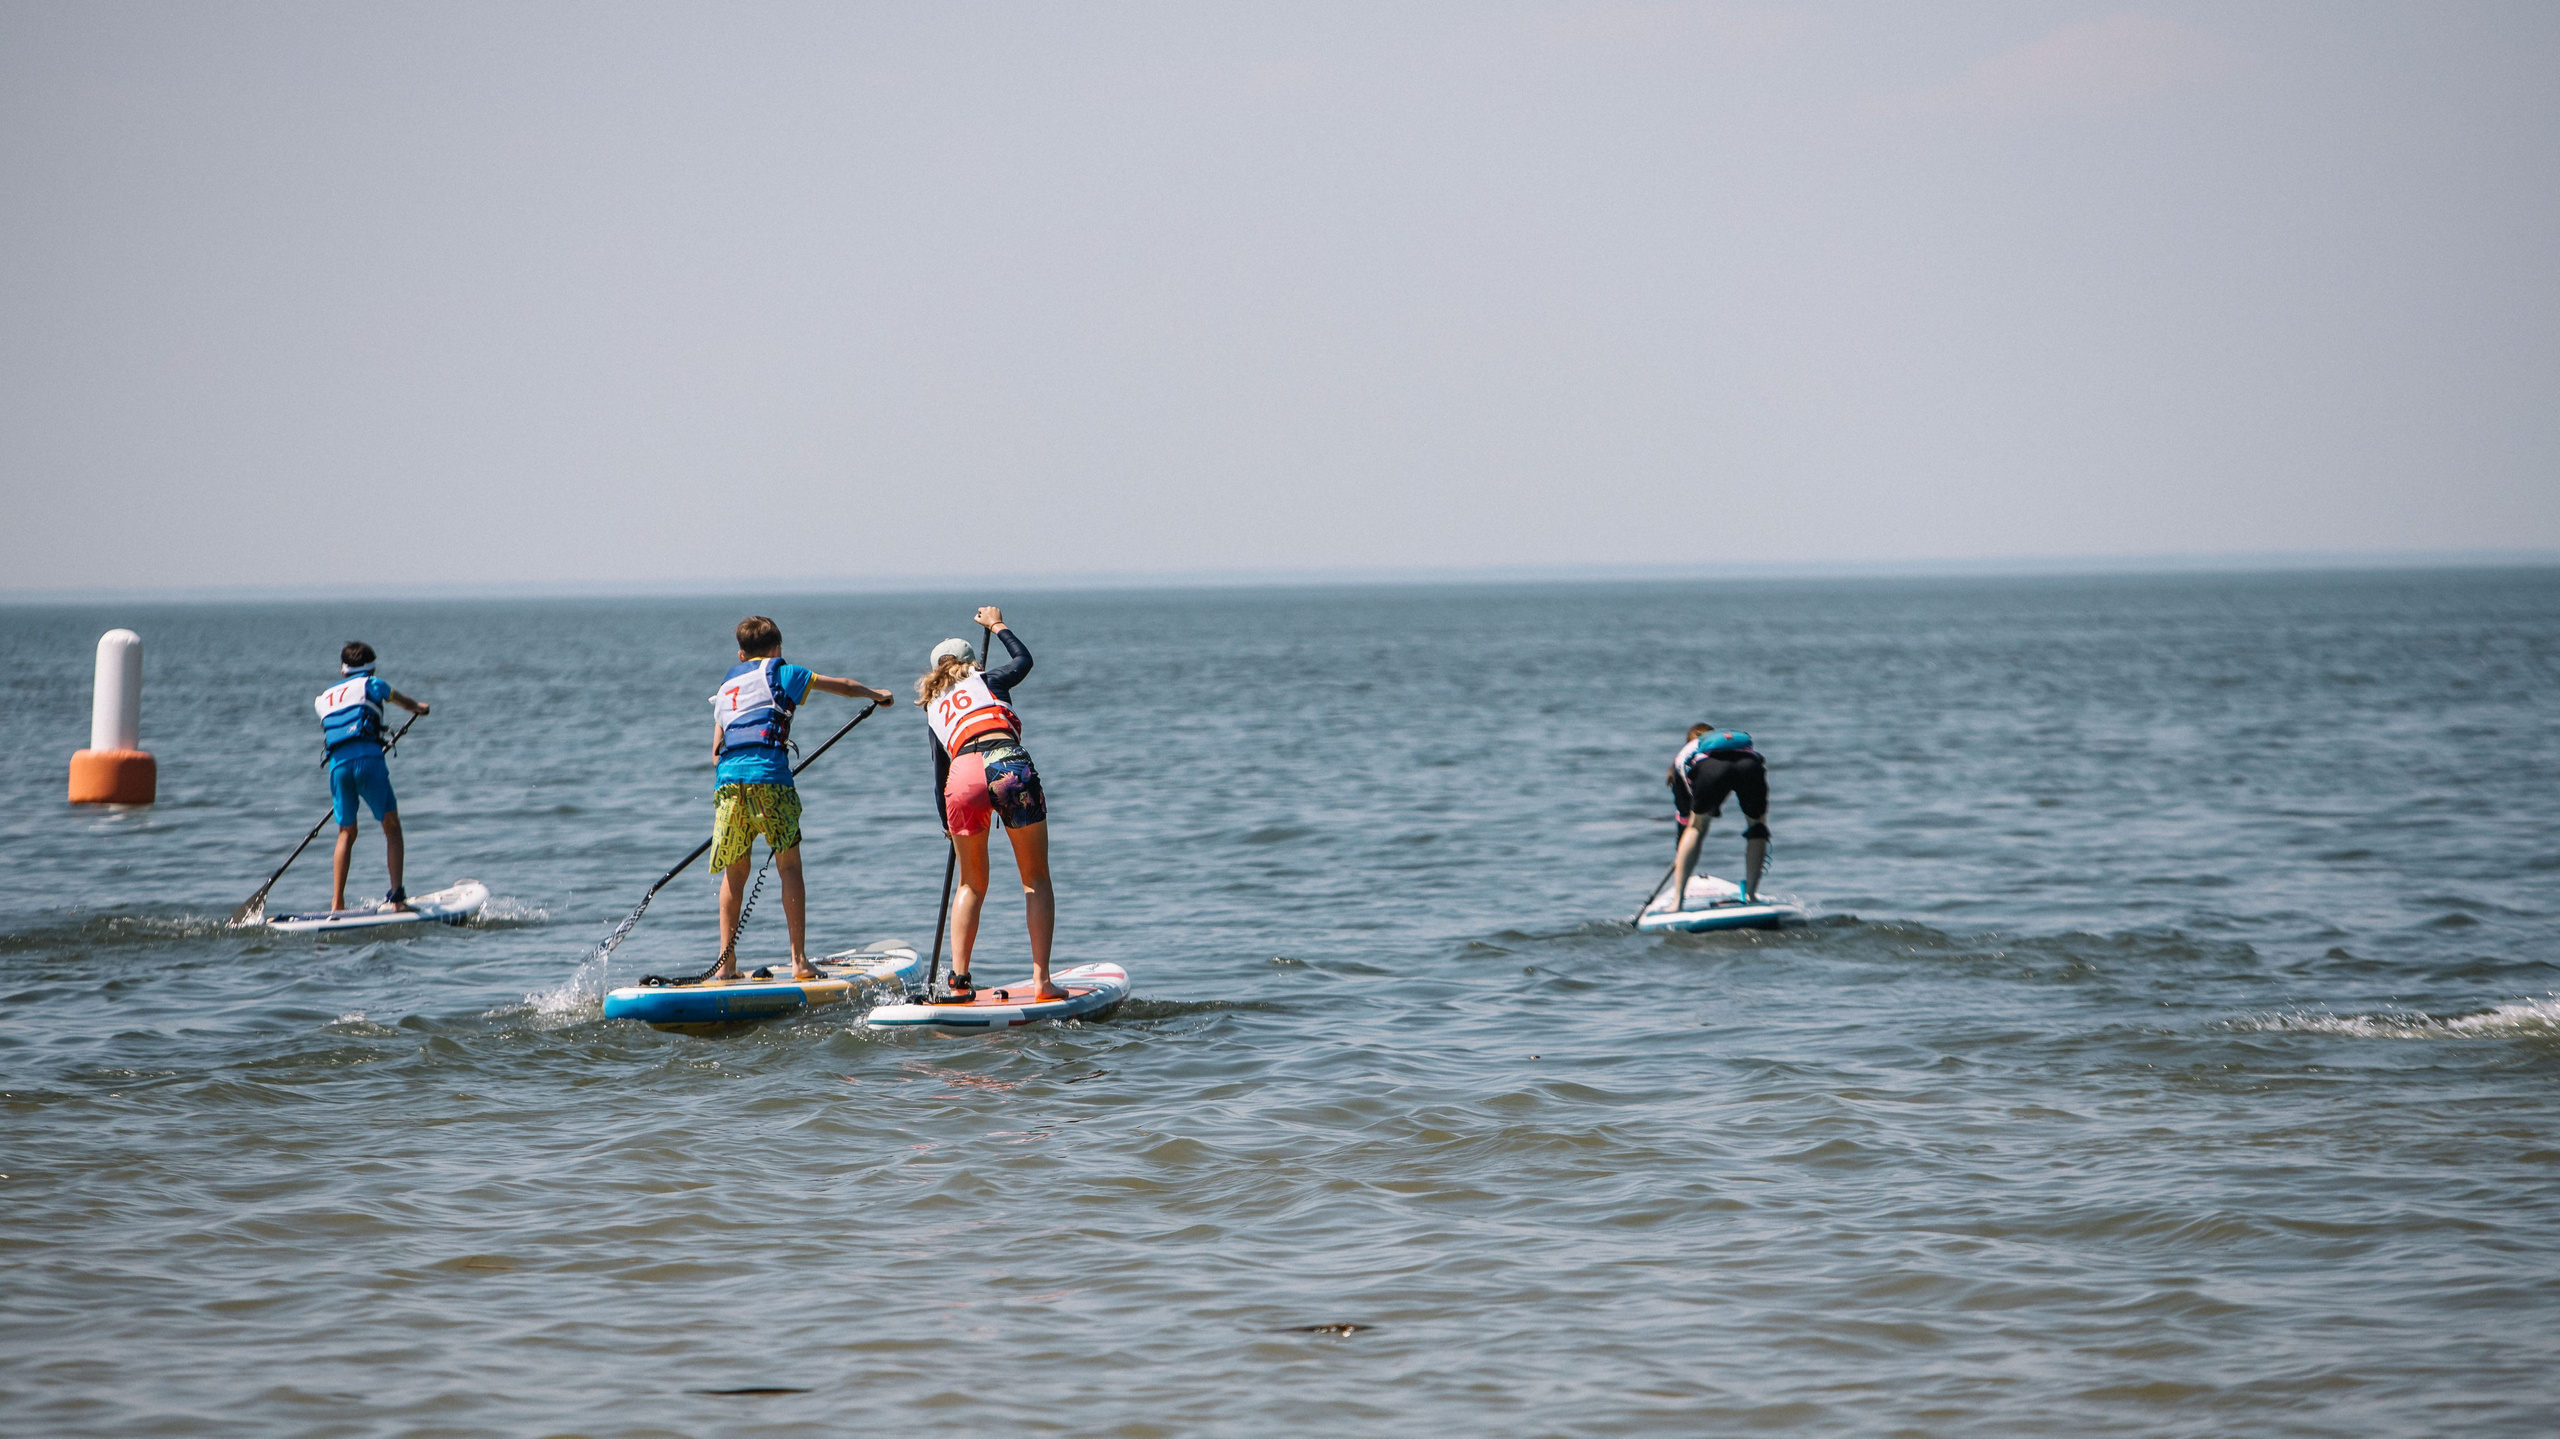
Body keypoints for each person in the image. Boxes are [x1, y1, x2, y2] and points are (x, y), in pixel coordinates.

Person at [706, 615, 899, 981]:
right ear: (777, 649)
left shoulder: (726, 687)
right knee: (789, 866)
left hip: (729, 785)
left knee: (735, 873)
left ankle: (726, 964)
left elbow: (716, 753)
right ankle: (799, 962)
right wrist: (876, 695)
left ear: (741, 654)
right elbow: (841, 686)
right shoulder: (784, 672)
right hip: (771, 781)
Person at [917, 606, 1060, 999]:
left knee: (971, 883)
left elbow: (938, 773)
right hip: (1006, 764)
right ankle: (1043, 982)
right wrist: (997, 625)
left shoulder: (934, 709)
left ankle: (959, 982)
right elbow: (1024, 660)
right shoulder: (990, 679)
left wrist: (946, 823)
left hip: (961, 778)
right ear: (971, 664)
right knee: (1035, 880)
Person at [315, 642, 430, 912]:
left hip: (338, 767)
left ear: (343, 671)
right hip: (369, 763)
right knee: (391, 825)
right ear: (372, 667)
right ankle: (398, 901)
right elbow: (407, 703)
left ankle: (337, 904)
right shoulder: (374, 684)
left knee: (346, 832)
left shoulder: (323, 698)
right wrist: (421, 709)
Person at [1664, 721, 1771, 910]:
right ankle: (1752, 895)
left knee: (1696, 827)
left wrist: (1681, 853)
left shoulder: (1686, 755)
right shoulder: (1732, 743)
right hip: (1751, 766)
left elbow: (1684, 819)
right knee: (1757, 827)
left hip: (1711, 771)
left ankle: (1677, 902)